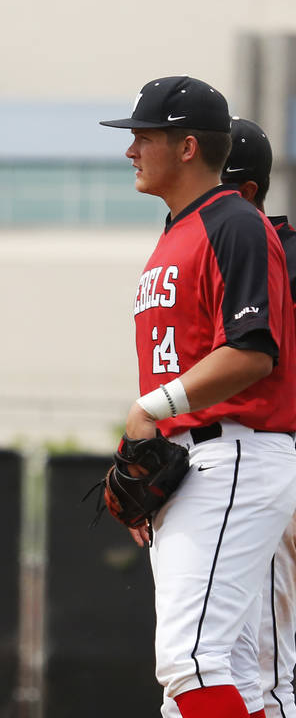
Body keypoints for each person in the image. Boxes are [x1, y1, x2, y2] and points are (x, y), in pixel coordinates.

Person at [100, 77, 296, 718]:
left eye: (144, 137)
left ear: (187, 147)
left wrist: (150, 411)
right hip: (197, 461)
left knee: (191, 662)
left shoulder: (233, 223)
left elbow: (252, 350)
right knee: (231, 673)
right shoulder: (178, 232)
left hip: (235, 450)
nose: (131, 150)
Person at [220, 118, 296, 718]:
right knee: (217, 656)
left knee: (266, 666)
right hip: (222, 467)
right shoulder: (200, 250)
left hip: (268, 458)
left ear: (243, 192)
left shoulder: (281, 256)